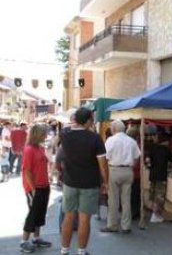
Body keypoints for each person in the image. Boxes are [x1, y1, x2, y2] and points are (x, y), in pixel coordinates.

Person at [59, 108, 108, 255]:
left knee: (68, 216)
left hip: (69, 182)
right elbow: (103, 164)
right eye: (92, 119)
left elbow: (68, 127)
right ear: (87, 121)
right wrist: (105, 182)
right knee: (84, 219)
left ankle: (64, 250)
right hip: (89, 183)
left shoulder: (65, 135)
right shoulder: (95, 138)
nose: (93, 122)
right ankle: (81, 251)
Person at [101, 120, 140, 233]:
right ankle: (126, 226)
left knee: (113, 199)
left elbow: (105, 157)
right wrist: (132, 165)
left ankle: (112, 225)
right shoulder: (131, 141)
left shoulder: (111, 140)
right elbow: (137, 156)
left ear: (114, 129)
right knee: (126, 199)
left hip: (114, 169)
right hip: (128, 170)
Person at [20, 124, 52, 253]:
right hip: (34, 188)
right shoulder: (29, 150)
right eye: (44, 133)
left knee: (40, 212)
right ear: (38, 134)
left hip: (44, 186)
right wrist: (33, 189)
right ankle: (24, 241)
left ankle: (36, 238)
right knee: (33, 214)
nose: (46, 135)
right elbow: (26, 171)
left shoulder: (39, 148)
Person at [147, 132, 172, 223]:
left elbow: (148, 161)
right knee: (159, 196)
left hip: (152, 174)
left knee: (152, 194)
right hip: (161, 175)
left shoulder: (153, 148)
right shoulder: (166, 150)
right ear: (165, 141)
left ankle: (153, 213)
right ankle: (155, 215)